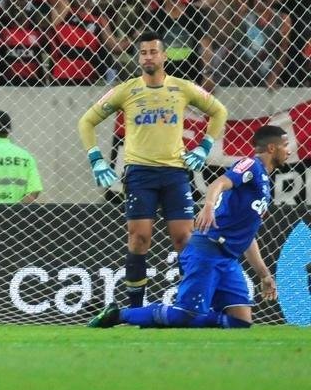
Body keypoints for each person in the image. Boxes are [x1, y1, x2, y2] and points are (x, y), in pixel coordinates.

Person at [77, 30, 229, 308]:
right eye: (143, 52)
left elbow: (219, 110)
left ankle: (189, 304)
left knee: (185, 239)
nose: (148, 57)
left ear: (164, 55)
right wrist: (96, 158)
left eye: (153, 52)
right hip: (139, 173)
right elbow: (86, 121)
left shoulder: (182, 88)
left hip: (175, 174)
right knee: (139, 238)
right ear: (139, 57)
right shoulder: (126, 90)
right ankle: (136, 309)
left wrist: (205, 147)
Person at [88, 125, 286, 329]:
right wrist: (208, 206)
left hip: (227, 257)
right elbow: (218, 183)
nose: (288, 151)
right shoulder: (250, 165)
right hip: (208, 249)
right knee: (183, 316)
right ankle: (119, 314)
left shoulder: (263, 181)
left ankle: (192, 318)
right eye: (285, 145)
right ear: (272, 148)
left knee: (240, 322)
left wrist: (264, 275)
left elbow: (247, 235)